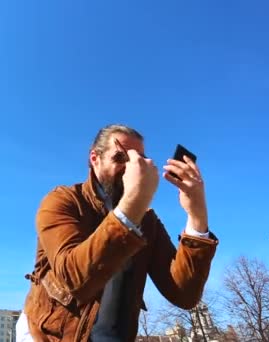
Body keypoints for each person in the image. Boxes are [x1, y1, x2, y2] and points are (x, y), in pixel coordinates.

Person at [16, 124, 218, 342]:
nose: (129, 168)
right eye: (120, 157)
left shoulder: (146, 221)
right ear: (95, 159)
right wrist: (135, 201)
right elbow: (73, 279)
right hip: (48, 337)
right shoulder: (63, 201)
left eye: (137, 160)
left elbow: (184, 295)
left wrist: (197, 214)